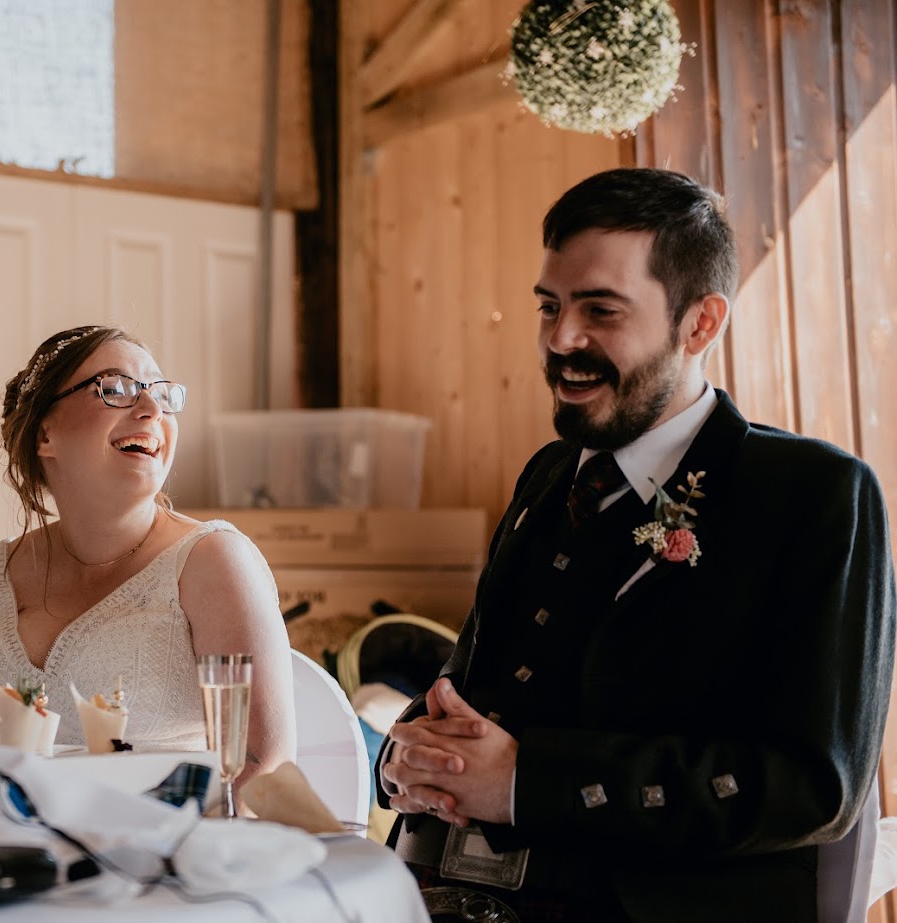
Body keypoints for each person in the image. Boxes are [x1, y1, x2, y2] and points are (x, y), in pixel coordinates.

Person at [377, 168, 896, 922]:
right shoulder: (550, 474)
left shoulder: (813, 493)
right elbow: (475, 681)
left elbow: (813, 786)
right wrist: (407, 757)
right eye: (549, 307)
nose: (561, 340)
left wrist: (528, 780)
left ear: (700, 323)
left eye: (600, 310)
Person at [0, 324, 296, 783]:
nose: (151, 409)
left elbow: (263, 768)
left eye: (161, 394)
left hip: (169, 846)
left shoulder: (213, 562)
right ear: (45, 434)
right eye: (117, 389)